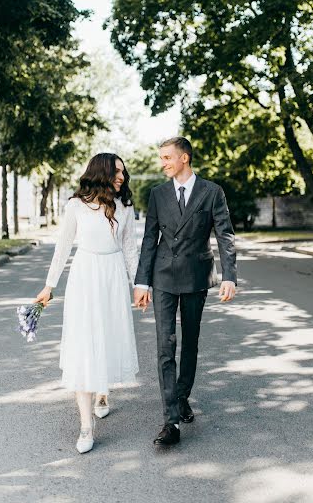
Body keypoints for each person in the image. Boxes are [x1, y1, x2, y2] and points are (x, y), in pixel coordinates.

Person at [134, 137, 237, 446]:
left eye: (167, 157)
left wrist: (230, 276)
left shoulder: (212, 192)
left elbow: (225, 234)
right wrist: (142, 282)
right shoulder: (157, 194)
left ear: (184, 158)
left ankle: (181, 395)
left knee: (190, 342)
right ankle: (170, 422)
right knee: (166, 346)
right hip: (163, 276)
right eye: (161, 157)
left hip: (196, 276)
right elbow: (150, 239)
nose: (163, 162)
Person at [34, 153, 139, 454]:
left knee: (106, 336)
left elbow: (130, 248)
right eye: (116, 171)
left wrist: (139, 285)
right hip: (84, 276)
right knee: (84, 344)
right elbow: (63, 246)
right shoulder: (75, 205)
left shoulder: (125, 206)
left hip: (113, 275)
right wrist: (49, 285)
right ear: (102, 172)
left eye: (123, 171)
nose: (121, 176)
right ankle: (85, 426)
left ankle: (102, 392)